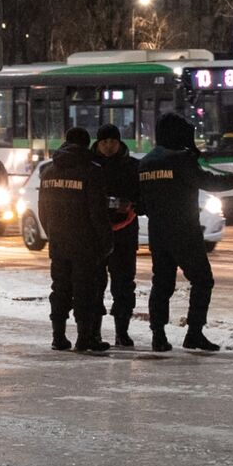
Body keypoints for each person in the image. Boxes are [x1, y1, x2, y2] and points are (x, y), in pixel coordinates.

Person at [140, 112, 233, 352]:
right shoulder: (180, 159)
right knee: (202, 280)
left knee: (162, 285)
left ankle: (158, 335)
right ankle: (194, 332)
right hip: (184, 232)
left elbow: (141, 202)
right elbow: (210, 182)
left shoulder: (147, 162)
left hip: (158, 233)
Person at [38, 127, 113, 352]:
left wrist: (52, 234)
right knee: (85, 290)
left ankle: (58, 337)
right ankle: (84, 338)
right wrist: (106, 241)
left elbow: (43, 211)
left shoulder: (48, 172)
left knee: (60, 288)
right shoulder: (91, 171)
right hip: (85, 243)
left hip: (59, 242)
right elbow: (97, 212)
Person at [92, 123, 141, 348]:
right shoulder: (89, 167)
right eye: (104, 142)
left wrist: (131, 204)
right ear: (98, 143)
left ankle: (122, 331)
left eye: (112, 141)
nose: (109, 146)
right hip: (96, 236)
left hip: (125, 235)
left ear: (119, 142)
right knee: (94, 284)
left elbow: (142, 197)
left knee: (123, 285)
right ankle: (94, 332)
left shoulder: (133, 167)